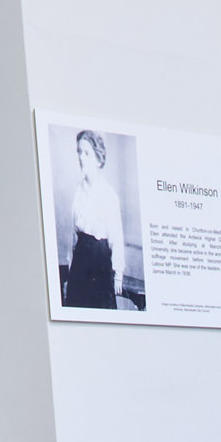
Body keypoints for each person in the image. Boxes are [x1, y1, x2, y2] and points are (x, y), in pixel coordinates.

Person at [62, 129, 127, 311]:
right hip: (80, 261)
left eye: (87, 153)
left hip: (100, 263)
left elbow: (116, 237)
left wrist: (118, 274)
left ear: (98, 159)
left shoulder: (109, 195)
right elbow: (73, 237)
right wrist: (70, 266)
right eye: (79, 152)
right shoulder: (78, 191)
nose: (81, 157)